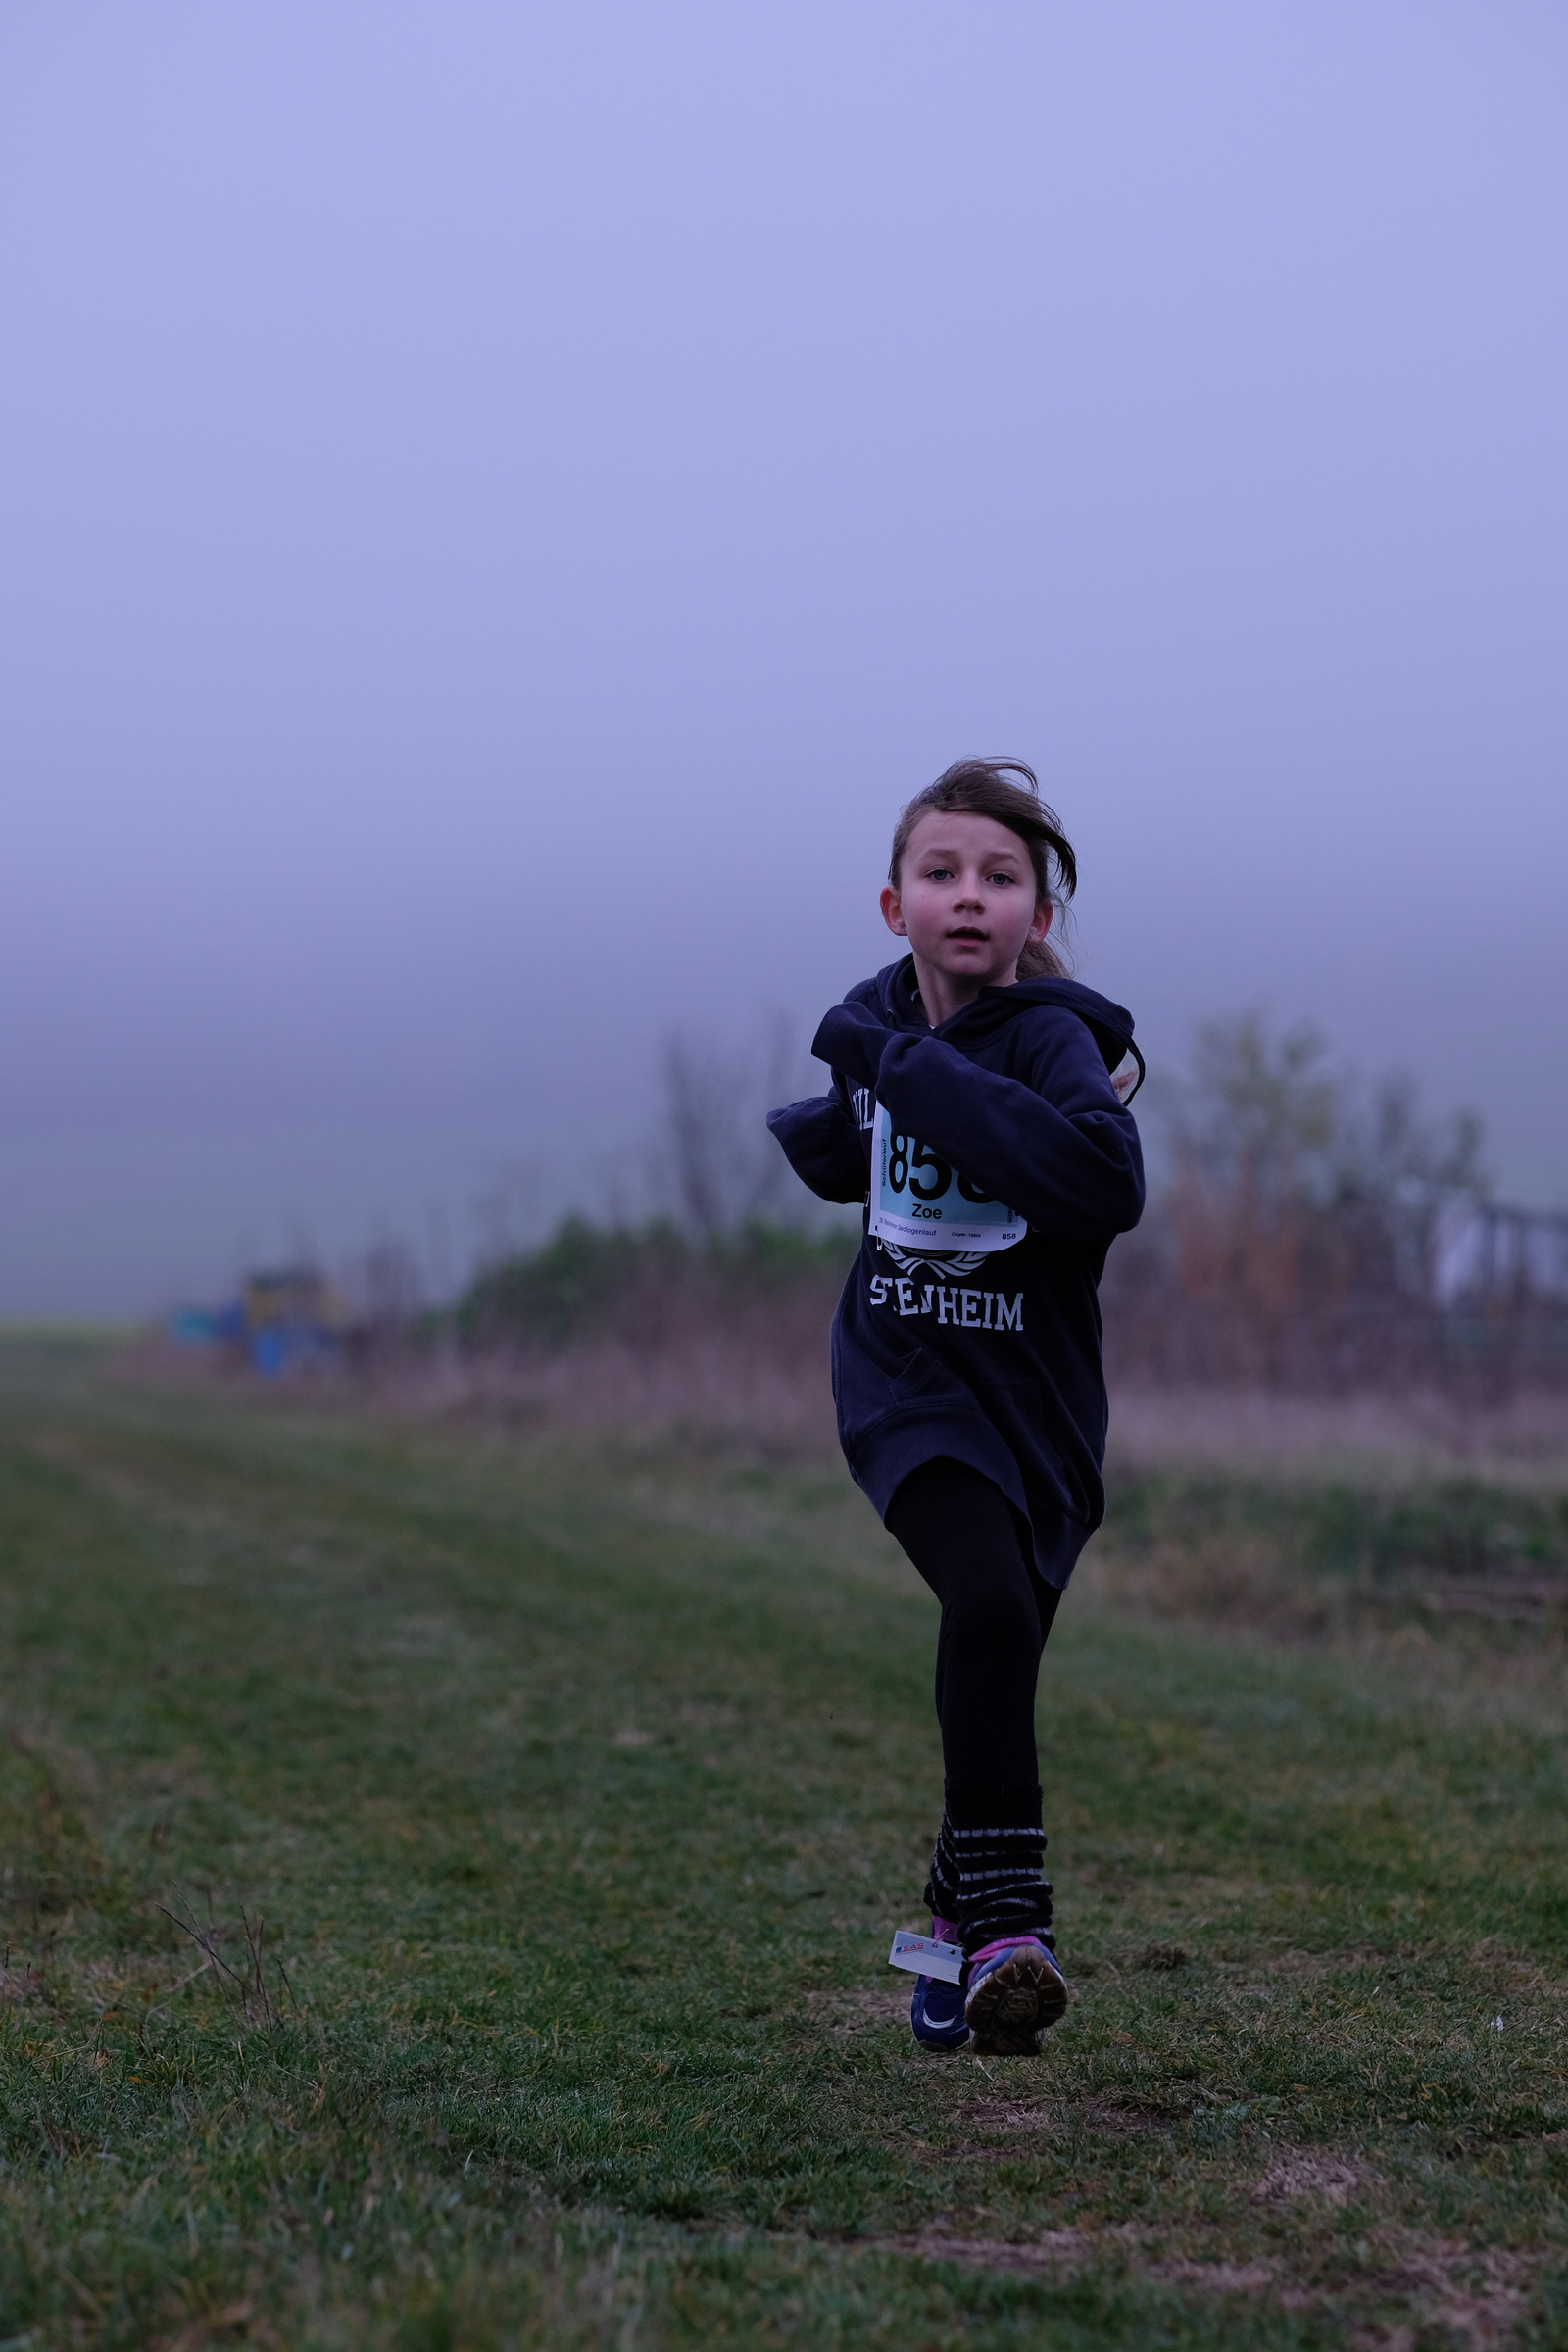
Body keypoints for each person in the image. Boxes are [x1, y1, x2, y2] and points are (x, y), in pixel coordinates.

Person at [767, 758, 1145, 2055]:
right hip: (904, 1383)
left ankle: (949, 1933)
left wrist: (899, 1073)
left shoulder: (1050, 1042)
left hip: (1039, 1403)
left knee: (1000, 1655)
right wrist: (835, 1118)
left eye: (1000, 876)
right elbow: (856, 1141)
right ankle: (1013, 1933)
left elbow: (1102, 1186)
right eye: (942, 873)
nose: (969, 895)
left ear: (1036, 914)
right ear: (897, 906)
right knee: (984, 1605)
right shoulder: (876, 1023)